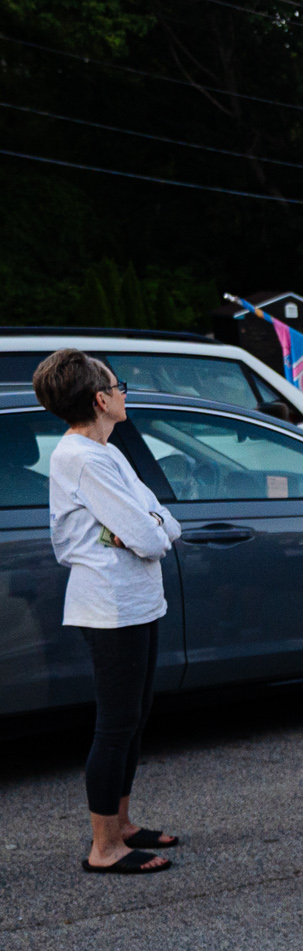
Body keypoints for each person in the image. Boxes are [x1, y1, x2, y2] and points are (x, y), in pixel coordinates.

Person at [35, 349, 182, 874]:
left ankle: (121, 824)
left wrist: (145, 528)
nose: (123, 393)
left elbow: (163, 524)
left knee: (135, 715)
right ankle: (104, 848)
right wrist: (144, 529)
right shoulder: (84, 459)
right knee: (116, 723)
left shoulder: (107, 451)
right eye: (119, 386)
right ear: (101, 399)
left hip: (137, 599)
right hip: (109, 606)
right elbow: (150, 536)